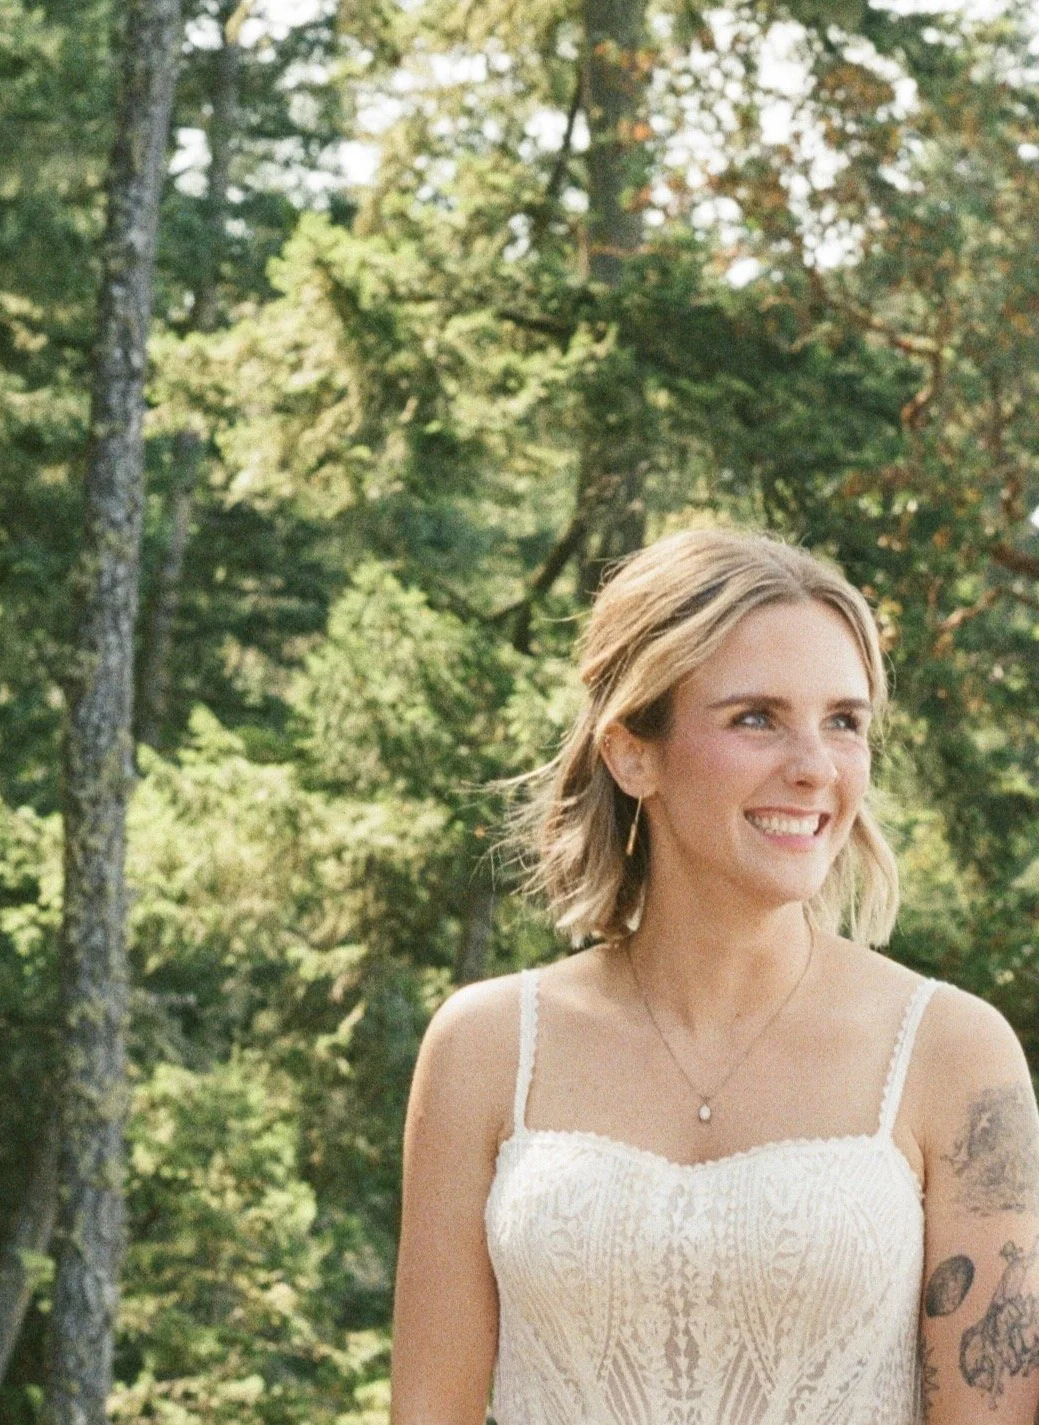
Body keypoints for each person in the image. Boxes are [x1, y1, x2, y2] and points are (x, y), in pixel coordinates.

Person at [389, 527, 1039, 1425]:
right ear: (633, 752)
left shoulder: (955, 1054)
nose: (814, 768)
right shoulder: (487, 1046)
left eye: (844, 721)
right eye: (756, 717)